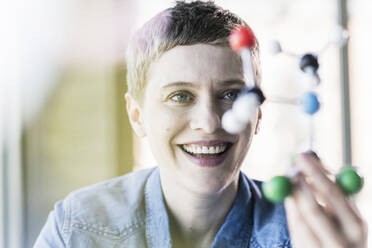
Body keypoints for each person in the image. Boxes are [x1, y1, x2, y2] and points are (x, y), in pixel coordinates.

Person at [34, 1, 367, 247]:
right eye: (180, 96)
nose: (209, 123)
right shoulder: (78, 229)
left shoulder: (308, 235)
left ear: (259, 114)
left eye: (232, 95)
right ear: (137, 115)